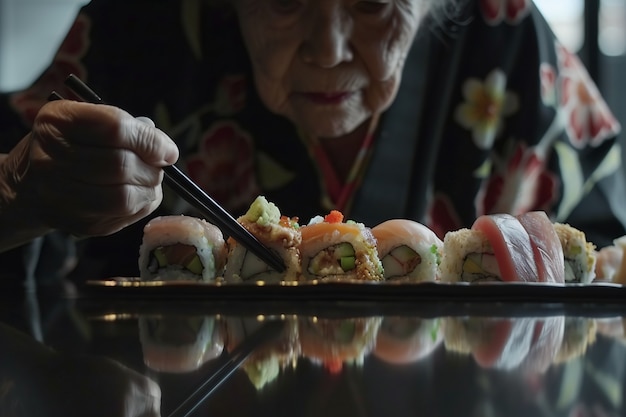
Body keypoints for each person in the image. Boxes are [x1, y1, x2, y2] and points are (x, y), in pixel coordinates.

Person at [0, 0, 625, 285]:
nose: (328, 47)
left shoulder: (508, 40)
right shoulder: (140, 25)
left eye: (375, 5)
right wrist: (17, 192)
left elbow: (604, 266)